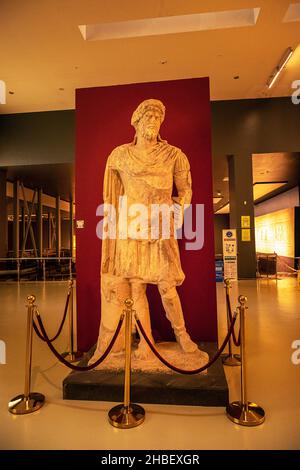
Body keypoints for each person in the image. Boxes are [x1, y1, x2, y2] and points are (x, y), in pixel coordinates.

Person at [90, 98, 199, 363]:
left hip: (161, 224)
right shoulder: (119, 155)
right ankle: (147, 343)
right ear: (137, 122)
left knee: (166, 286)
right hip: (130, 226)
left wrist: (175, 216)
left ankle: (181, 334)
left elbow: (185, 192)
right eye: (148, 117)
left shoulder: (174, 155)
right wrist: (112, 235)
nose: (153, 122)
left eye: (157, 118)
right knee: (136, 288)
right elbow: (111, 197)